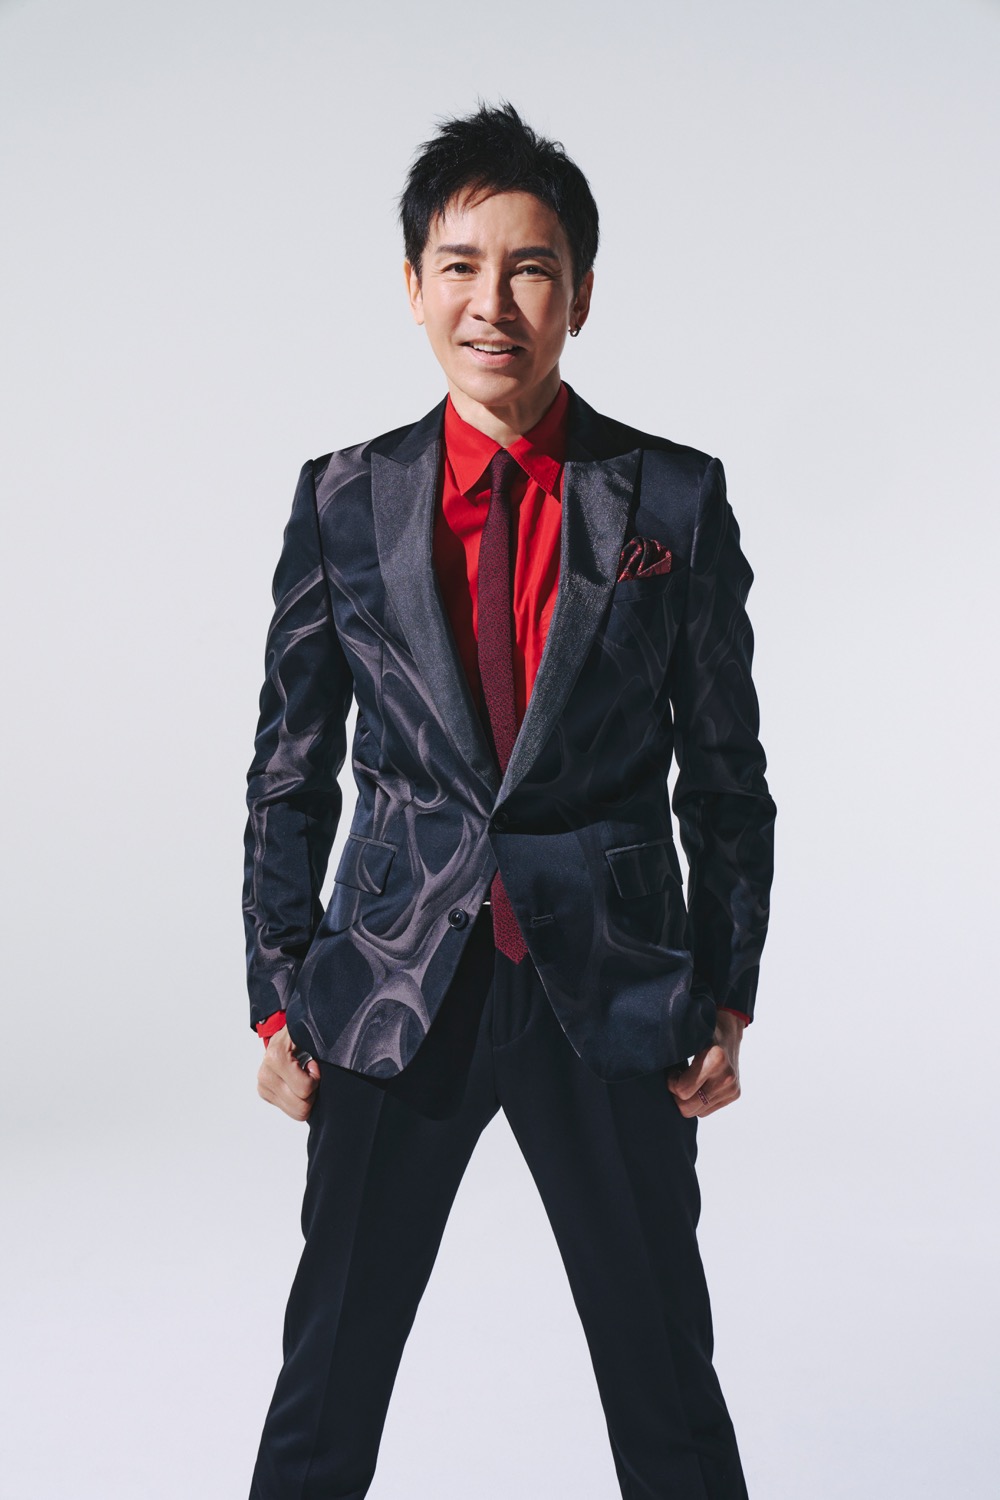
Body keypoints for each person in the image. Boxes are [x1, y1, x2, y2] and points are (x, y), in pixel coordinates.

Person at [243, 101, 776, 1500]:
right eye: (461, 266)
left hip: (611, 986)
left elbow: (728, 777)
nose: (495, 302)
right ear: (414, 286)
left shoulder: (671, 498)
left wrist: (727, 992)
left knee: (665, 1390)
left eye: (531, 269)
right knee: (326, 1391)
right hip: (390, 986)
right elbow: (291, 766)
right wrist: (278, 993)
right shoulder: (343, 500)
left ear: (580, 294)